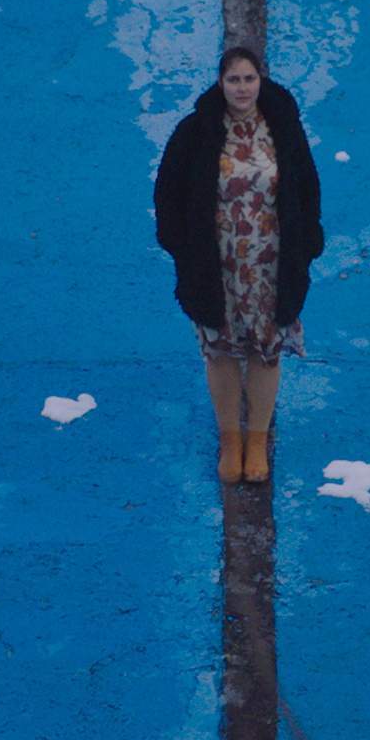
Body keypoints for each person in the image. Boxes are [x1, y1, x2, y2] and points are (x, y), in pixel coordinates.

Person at [153, 47, 324, 483]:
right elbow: (168, 191)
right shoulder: (196, 131)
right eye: (234, 80)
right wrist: (180, 248)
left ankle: (256, 440)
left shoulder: (283, 129)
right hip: (217, 262)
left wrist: (308, 242)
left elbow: (306, 186)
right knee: (222, 349)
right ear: (220, 83)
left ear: (260, 81)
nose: (242, 88)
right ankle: (231, 439)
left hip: (271, 262)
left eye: (249, 79)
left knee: (266, 350)